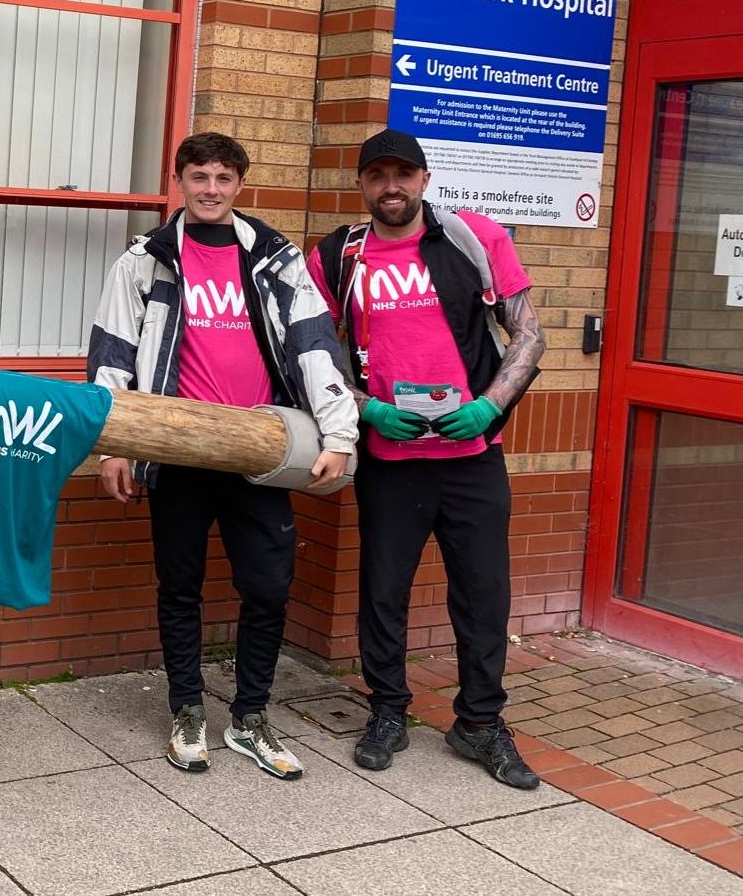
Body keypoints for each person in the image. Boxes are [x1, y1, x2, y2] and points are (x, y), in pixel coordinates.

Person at [88, 132, 357, 779]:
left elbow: (315, 343)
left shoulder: (274, 259)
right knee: (179, 587)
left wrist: (339, 434)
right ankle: (186, 709)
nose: (211, 188)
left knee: (268, 587)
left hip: (258, 451)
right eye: (199, 176)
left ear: (240, 184)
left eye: (223, 178)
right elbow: (111, 355)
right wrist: (112, 444)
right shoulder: (145, 261)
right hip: (176, 449)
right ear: (180, 180)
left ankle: (250, 718)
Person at [307, 128, 546, 790]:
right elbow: (313, 356)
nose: (392, 186)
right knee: (383, 592)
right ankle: (387, 712)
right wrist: (365, 408)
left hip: (472, 454)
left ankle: (479, 723)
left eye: (403, 174)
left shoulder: (474, 239)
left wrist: (490, 404)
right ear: (361, 185)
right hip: (391, 456)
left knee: (484, 594)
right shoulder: (337, 256)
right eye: (378, 175)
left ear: (425, 178)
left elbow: (528, 333)